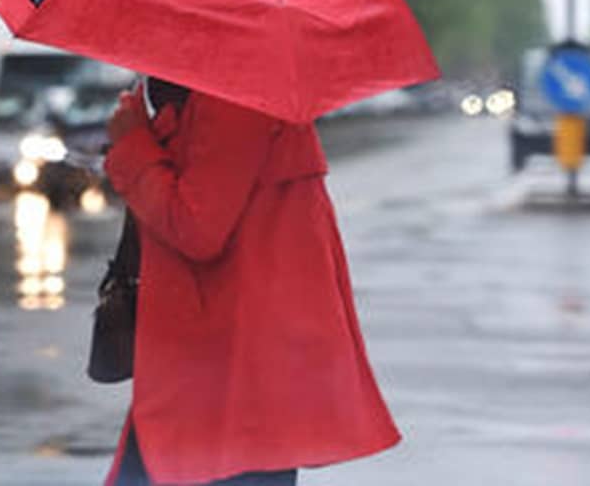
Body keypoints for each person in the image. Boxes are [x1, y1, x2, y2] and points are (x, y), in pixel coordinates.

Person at [101, 77, 400, 485]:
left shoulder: (236, 94)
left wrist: (132, 143)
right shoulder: (201, 88)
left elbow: (197, 227)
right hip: (217, 359)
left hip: (238, 364)